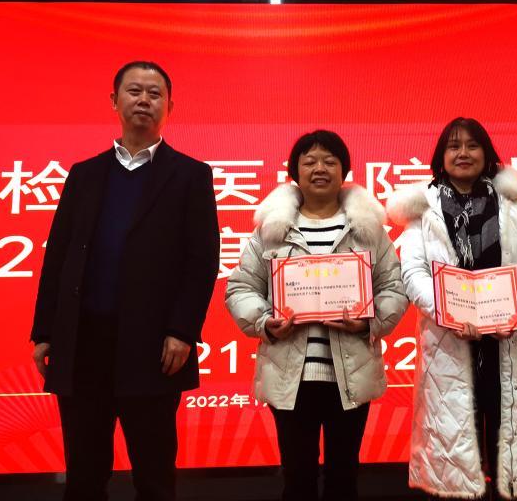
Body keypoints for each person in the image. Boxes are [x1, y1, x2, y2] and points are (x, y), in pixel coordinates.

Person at [30, 61, 220, 501]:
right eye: (134, 91)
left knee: (154, 474)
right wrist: (44, 331)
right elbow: (58, 256)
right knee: (84, 473)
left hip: (153, 346)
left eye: (155, 94)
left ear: (170, 107)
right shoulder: (85, 174)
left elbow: (201, 261)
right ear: (114, 101)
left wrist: (182, 330)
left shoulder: (191, 175)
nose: (144, 100)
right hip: (84, 344)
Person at [387, 117, 517, 500]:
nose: (463, 153)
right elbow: (413, 272)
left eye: (472, 145)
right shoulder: (423, 208)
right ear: (441, 156)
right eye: (454, 146)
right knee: (457, 453)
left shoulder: (513, 203)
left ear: (486, 153)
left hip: (510, 341)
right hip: (450, 342)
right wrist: (447, 314)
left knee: (510, 448)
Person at [226, 130, 407, 501]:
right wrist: (264, 322)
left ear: (344, 171)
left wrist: (369, 321)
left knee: (344, 477)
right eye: (309, 162)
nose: (319, 169)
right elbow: (240, 287)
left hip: (351, 374)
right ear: (295, 172)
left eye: (329, 161)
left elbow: (394, 287)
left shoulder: (369, 230)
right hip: (291, 376)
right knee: (298, 479)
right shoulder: (271, 230)